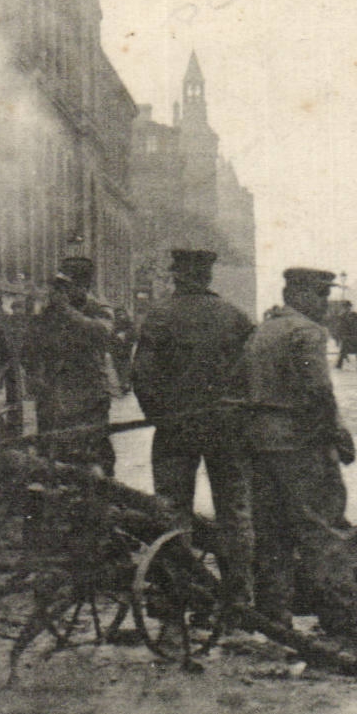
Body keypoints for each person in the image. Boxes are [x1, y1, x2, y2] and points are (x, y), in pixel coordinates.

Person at [131, 249, 256, 610]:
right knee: (234, 512)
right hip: (227, 430)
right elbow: (252, 376)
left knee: (172, 512)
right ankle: (239, 599)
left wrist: (160, 415)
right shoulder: (235, 317)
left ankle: (179, 597)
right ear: (208, 276)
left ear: (177, 275)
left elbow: (141, 375)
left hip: (175, 430)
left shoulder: (160, 317)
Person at [243, 268, 357, 628]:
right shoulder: (306, 332)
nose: (326, 305)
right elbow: (319, 392)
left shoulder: (264, 330)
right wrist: (338, 436)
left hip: (259, 443)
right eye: (321, 295)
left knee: (271, 531)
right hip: (300, 443)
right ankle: (339, 611)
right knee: (322, 525)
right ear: (298, 294)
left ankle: (274, 613)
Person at [26, 256, 118, 475]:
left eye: (67, 286)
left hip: (88, 393)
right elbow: (32, 346)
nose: (61, 292)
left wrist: (67, 312)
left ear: (83, 286)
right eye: (60, 287)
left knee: (92, 452)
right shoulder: (50, 312)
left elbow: (102, 333)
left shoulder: (98, 309)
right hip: (53, 393)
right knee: (52, 451)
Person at [333, 299, 357, 369]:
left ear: (350, 307)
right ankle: (339, 364)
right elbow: (340, 327)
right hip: (346, 336)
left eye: (348, 307)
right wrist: (339, 336)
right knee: (343, 350)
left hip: (354, 336)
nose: (347, 308)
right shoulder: (342, 316)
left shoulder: (355, 315)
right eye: (345, 307)